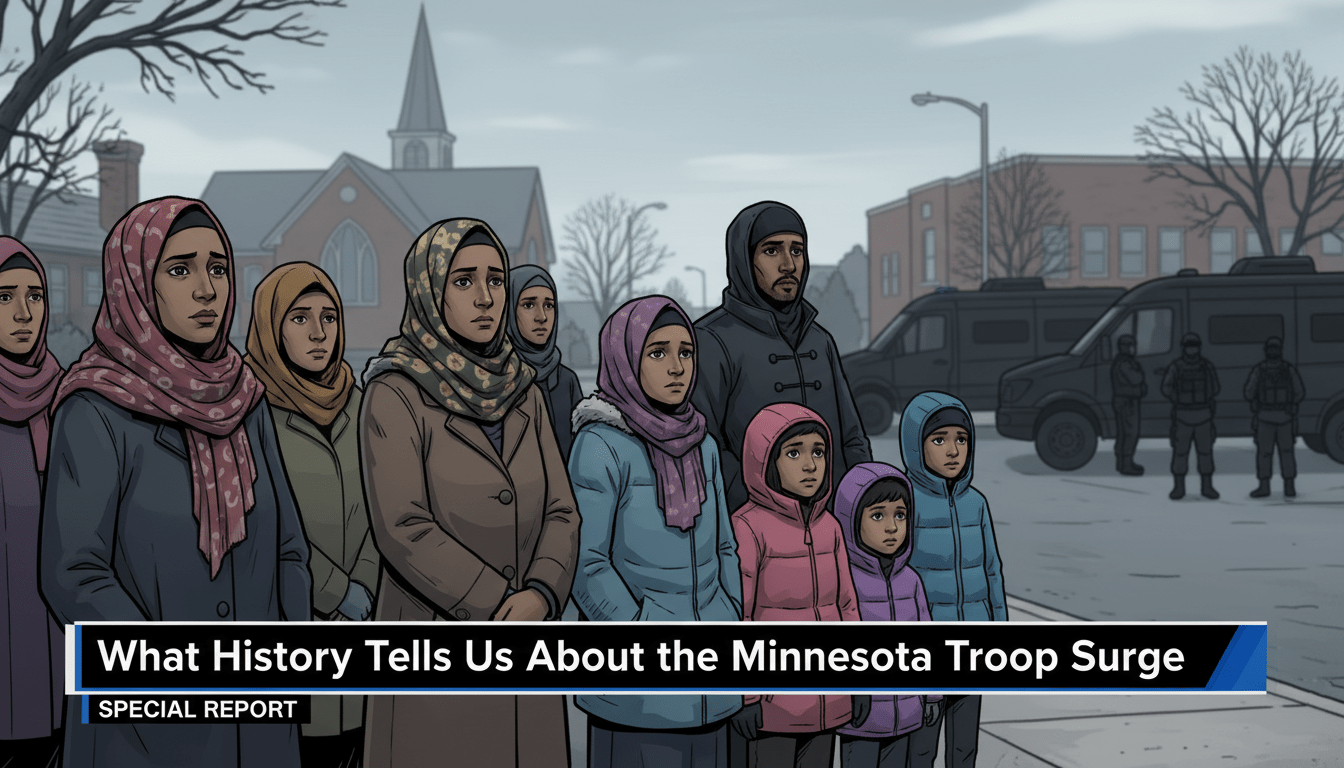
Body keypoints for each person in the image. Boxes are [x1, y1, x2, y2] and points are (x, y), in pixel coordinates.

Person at [39, 197, 311, 768]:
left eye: (217, 268)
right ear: (137, 283)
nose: (207, 290)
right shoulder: (96, 407)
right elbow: (74, 572)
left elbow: (289, 545)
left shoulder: (244, 399)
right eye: (181, 269)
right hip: (145, 727)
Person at [359, 219, 578, 768]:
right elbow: (402, 526)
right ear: (430, 290)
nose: (485, 298)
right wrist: (497, 604)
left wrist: (543, 594)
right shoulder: (395, 391)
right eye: (463, 281)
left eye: (496, 280)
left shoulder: (521, 389)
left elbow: (561, 508)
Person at [568, 295, 742, 768]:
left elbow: (724, 542)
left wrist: (730, 612)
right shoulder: (600, 445)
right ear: (626, 359)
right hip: (637, 689)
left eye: (686, 352)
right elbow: (587, 564)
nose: (676, 366)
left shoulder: (701, 443)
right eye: (658, 352)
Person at [244, 262, 378, 768]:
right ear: (271, 327)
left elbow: (384, 502)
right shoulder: (247, 413)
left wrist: (363, 582)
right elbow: (264, 518)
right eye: (299, 318)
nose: (319, 333)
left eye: (329, 317)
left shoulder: (363, 405)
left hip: (365, 623)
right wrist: (335, 591)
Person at [692, 201, 871, 511]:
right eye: (772, 250)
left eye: (797, 251)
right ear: (744, 260)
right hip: (753, 532)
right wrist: (760, 513)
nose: (789, 265)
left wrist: (857, 505)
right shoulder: (710, 339)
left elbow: (852, 438)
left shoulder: (820, 340)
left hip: (831, 526)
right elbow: (705, 446)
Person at [730, 403, 869, 768]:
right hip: (773, 709)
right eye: (794, 453)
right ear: (766, 461)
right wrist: (745, 696)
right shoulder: (747, 527)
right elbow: (737, 618)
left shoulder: (831, 527)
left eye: (818, 452)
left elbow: (847, 607)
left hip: (829, 703)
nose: (810, 465)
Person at [899, 392, 1007, 768]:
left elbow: (991, 570)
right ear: (916, 443)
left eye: (961, 439)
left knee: (964, 748)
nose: (952, 450)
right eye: (939, 439)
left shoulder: (976, 503)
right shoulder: (905, 501)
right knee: (922, 747)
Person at [0, 238, 65, 768]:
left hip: (54, 620)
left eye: (35, 296)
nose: (24, 313)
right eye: (3, 297)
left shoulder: (60, 393)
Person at [832, 462, 941, 768]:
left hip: (906, 714)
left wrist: (930, 696)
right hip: (862, 720)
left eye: (900, 515)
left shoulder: (911, 581)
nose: (892, 527)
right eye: (878, 515)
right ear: (851, 519)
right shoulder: (842, 579)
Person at [507, 264, 584, 461]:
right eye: (528, 305)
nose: (541, 317)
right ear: (507, 310)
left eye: (549, 305)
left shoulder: (567, 380)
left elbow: (580, 451)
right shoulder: (496, 377)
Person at [1160, 332, 1221, 500]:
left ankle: (1207, 487)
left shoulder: (1205, 366)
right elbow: (1166, 387)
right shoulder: (1176, 367)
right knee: (1180, 453)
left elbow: (1214, 388)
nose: (1192, 350)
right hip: (1183, 416)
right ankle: (1179, 487)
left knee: (1205, 453)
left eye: (1194, 346)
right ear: (1184, 348)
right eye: (1189, 346)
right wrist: (1178, 398)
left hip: (1202, 415)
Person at [1243, 336, 1305, 499]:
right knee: (1284, 453)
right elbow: (1299, 392)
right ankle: (1287, 487)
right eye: (1272, 349)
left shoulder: (1260, 369)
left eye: (1274, 349)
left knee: (1266, 453)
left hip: (1268, 419)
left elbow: (1249, 392)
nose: (1273, 352)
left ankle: (1267, 487)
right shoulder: (1287, 369)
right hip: (1280, 418)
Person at [1111, 334, 1146, 476]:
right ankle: (1126, 465)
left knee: (1123, 434)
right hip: (1128, 402)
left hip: (1124, 401)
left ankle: (1123, 463)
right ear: (1124, 347)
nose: (1133, 348)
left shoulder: (1121, 361)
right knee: (1130, 434)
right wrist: (1139, 371)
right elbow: (1136, 379)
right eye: (1130, 346)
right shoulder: (1125, 363)